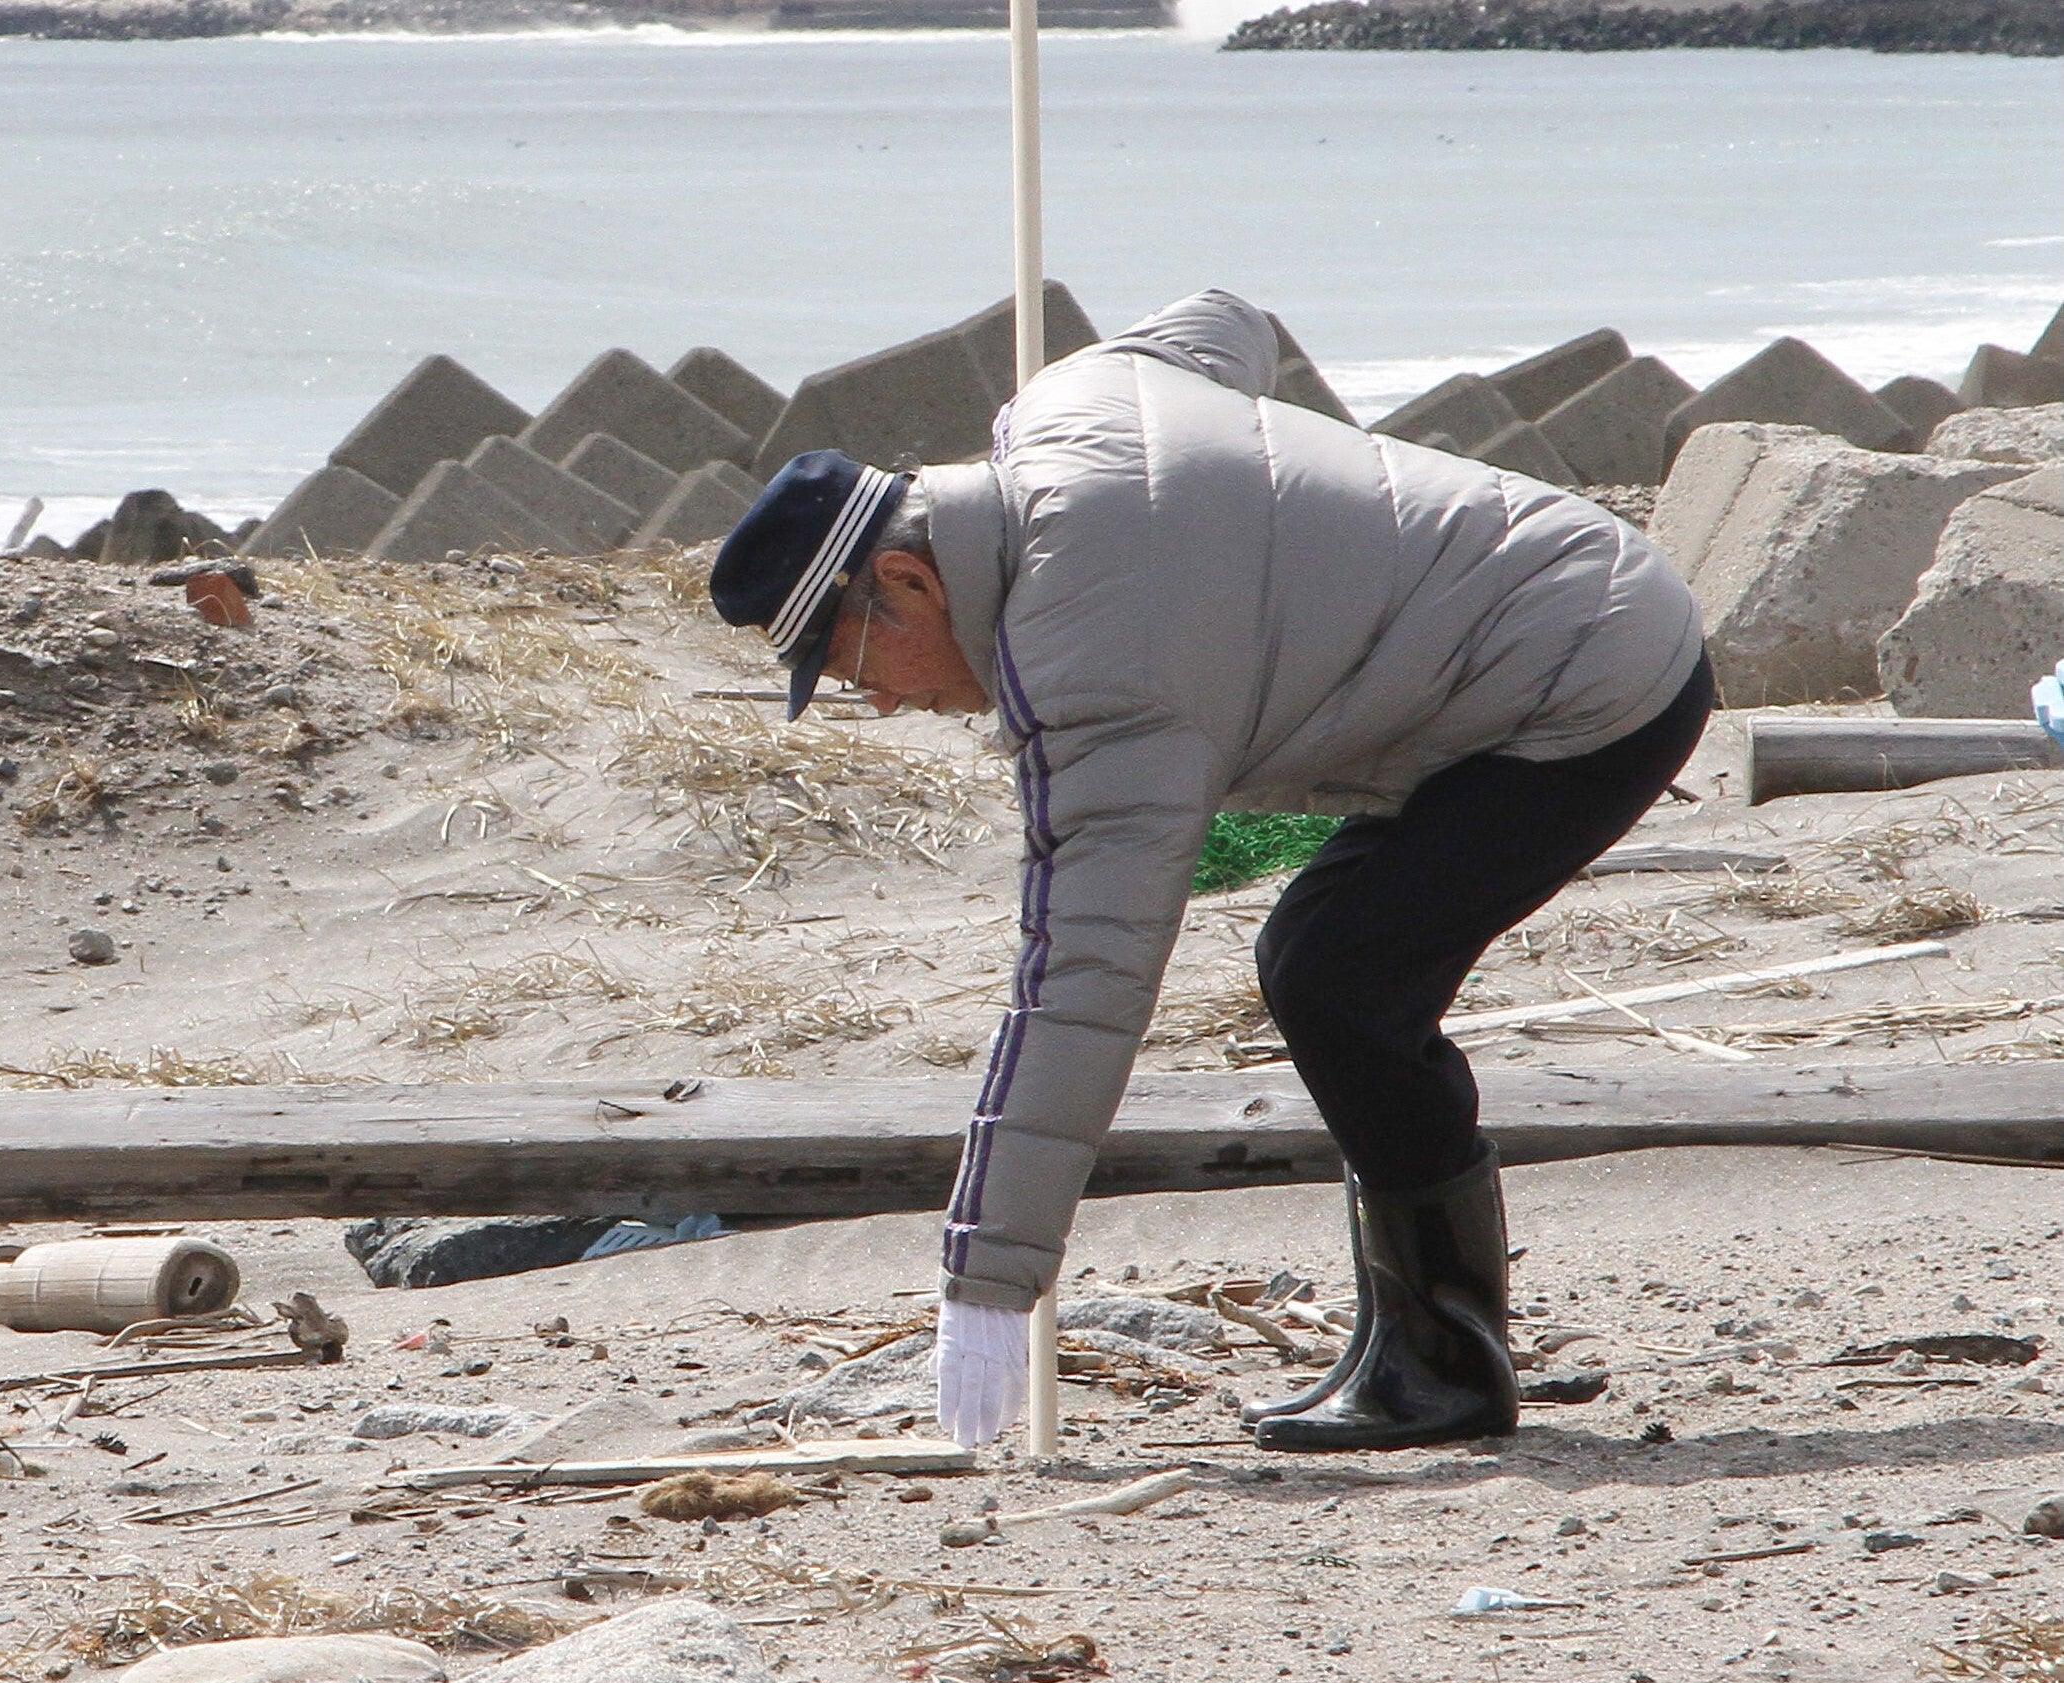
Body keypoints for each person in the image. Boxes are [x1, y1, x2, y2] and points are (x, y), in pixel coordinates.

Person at [709, 291, 1709, 1453]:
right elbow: (1226, 324)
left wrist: (987, 1281)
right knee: (1326, 956)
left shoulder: (1097, 662)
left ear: (912, 579)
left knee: (1341, 975)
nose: (881, 701)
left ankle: (1444, 1365)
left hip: (1590, 686)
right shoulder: (1066, 403)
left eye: (852, 665)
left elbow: (1083, 980)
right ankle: (1417, 1342)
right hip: (1579, 581)